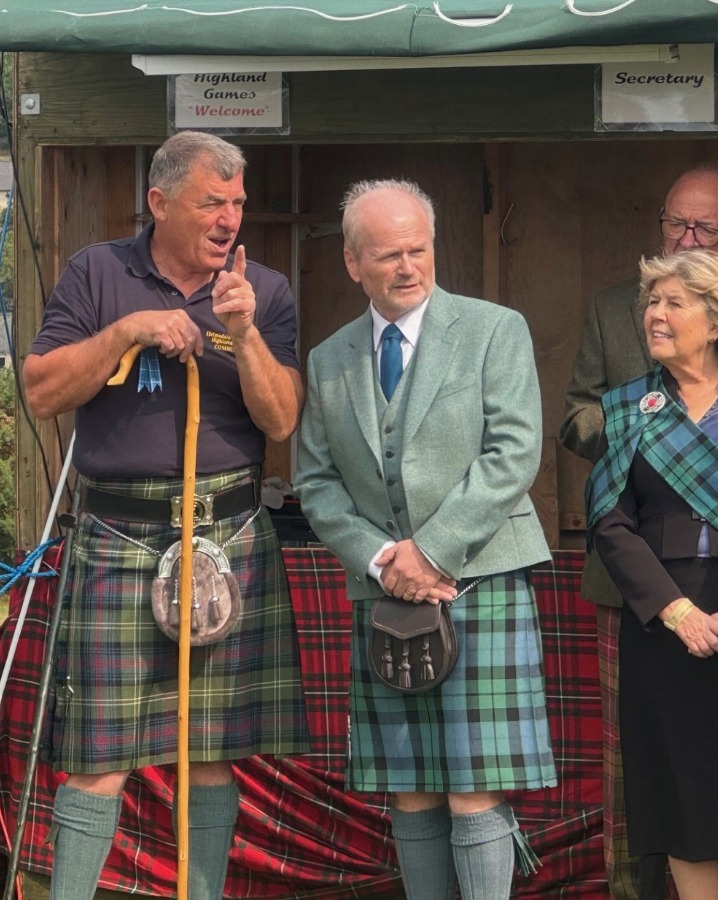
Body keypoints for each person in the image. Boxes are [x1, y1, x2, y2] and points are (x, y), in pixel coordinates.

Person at [17, 130, 309, 900]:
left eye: (238, 203)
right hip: (116, 530)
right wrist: (126, 330)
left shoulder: (263, 289)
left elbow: (280, 423)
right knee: (99, 756)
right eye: (212, 202)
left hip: (229, 531)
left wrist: (242, 334)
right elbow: (42, 391)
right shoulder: (99, 272)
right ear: (160, 201)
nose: (229, 219)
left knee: (212, 749)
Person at [295, 179, 557, 899]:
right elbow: (314, 483)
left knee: (475, 785)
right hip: (386, 596)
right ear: (353, 263)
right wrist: (383, 560)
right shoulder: (328, 359)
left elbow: (514, 451)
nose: (408, 266)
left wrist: (430, 550)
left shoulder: (493, 330)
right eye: (388, 255)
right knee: (407, 784)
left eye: (419, 250)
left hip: (480, 577)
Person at [560, 162, 718, 900]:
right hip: (663, 625)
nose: (654, 317)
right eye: (651, 304)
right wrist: (676, 612)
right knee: (682, 803)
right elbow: (609, 518)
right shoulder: (632, 405)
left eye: (673, 303)